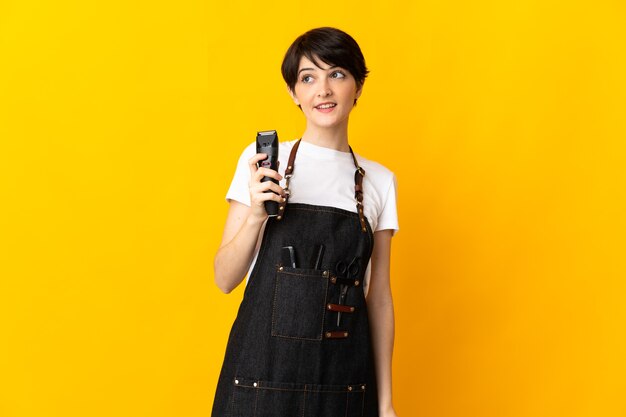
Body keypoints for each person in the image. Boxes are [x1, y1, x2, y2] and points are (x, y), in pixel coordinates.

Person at [212, 27, 400, 417]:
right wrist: (254, 217)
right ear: (293, 93)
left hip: (343, 385)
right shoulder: (264, 162)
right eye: (308, 77)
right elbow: (224, 278)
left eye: (337, 74)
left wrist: (385, 404)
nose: (323, 90)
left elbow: (378, 297)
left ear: (358, 86)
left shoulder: (379, 181)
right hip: (259, 381)